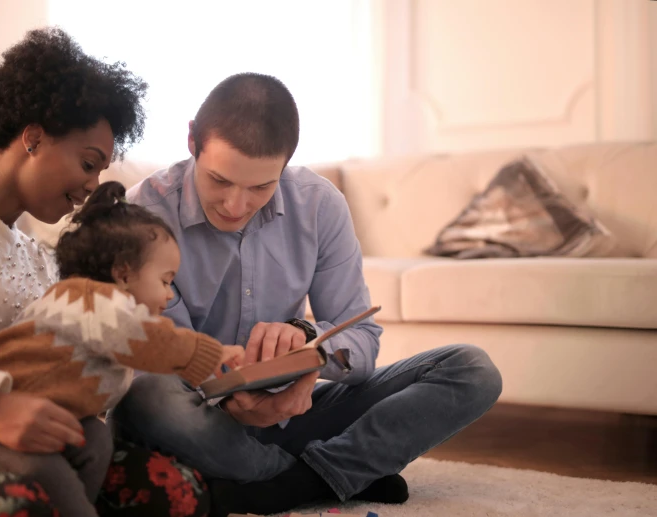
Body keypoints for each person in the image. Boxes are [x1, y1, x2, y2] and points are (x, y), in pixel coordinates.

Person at [109, 72, 504, 516]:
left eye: (260, 186)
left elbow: (362, 344)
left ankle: (292, 483)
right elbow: (157, 358)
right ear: (191, 141)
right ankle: (333, 474)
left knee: (470, 370)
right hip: (197, 420)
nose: (235, 206)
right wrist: (230, 399)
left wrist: (308, 349)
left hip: (294, 413)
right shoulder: (141, 215)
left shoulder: (319, 205)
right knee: (144, 400)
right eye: (219, 180)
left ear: (286, 164)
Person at [0, 27, 210, 517]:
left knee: (177, 491)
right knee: (21, 505)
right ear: (33, 136)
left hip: (10, 448)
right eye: (88, 163)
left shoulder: (39, 257)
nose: (92, 186)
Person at [0, 180, 245, 517]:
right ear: (123, 274)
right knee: (47, 474)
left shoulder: (96, 317)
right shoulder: (90, 302)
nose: (170, 295)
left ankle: (78, 505)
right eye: (166, 281)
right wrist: (208, 353)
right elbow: (150, 339)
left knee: (94, 438)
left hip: (37, 426)